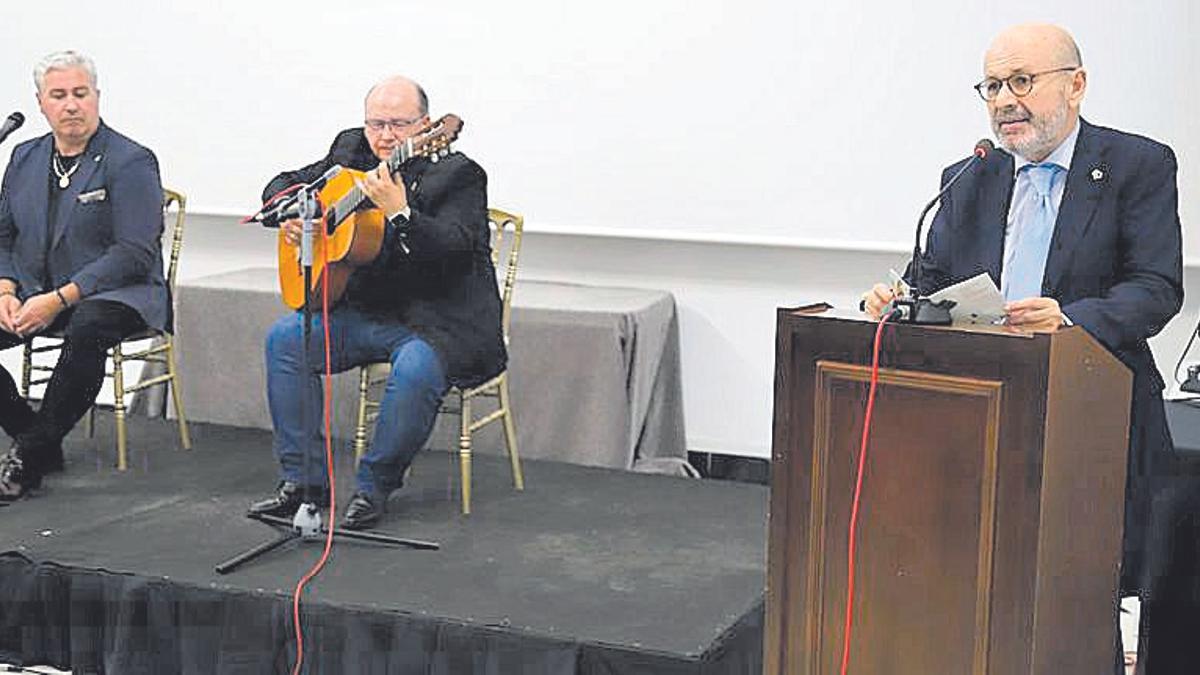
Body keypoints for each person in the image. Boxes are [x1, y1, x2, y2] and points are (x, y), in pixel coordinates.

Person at [862, 23, 1186, 672]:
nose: (1005, 100)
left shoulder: (1136, 166)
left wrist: (1070, 317)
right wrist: (897, 300)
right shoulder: (970, 176)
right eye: (992, 86)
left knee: (1084, 601)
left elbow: (1157, 287)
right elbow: (932, 280)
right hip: (985, 423)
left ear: (1076, 85)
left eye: (1021, 82)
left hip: (1095, 419)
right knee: (987, 590)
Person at [249, 75, 505, 530]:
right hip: (365, 310)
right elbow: (286, 182)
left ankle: (373, 488)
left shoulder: (460, 174)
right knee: (286, 340)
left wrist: (400, 213)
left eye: (400, 124)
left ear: (426, 127)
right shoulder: (351, 151)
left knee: (415, 369)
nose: (385, 136)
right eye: (376, 123)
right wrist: (293, 213)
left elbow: (454, 248)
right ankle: (304, 483)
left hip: (439, 319)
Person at [0, 51, 168, 501]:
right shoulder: (24, 156)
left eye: (81, 93)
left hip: (120, 295)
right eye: (59, 95)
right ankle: (32, 430)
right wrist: (5, 288)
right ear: (41, 103)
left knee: (87, 326)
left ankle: (29, 457)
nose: (71, 104)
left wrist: (60, 299)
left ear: (97, 97)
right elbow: (4, 236)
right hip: (37, 289)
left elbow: (135, 252)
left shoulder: (131, 160)